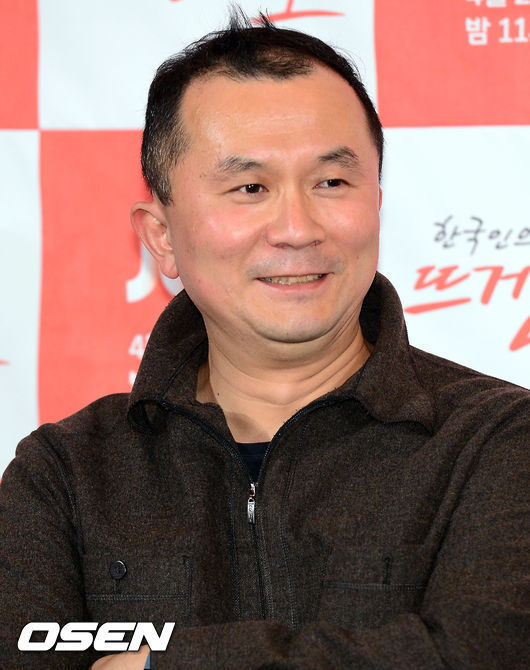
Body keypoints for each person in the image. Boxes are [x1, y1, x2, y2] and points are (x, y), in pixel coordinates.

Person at [0, 10, 528, 670]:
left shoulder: (497, 441)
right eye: (250, 187)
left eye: (331, 182)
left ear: (377, 201)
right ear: (162, 237)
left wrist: (165, 664)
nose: (297, 228)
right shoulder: (66, 474)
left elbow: (490, 653)